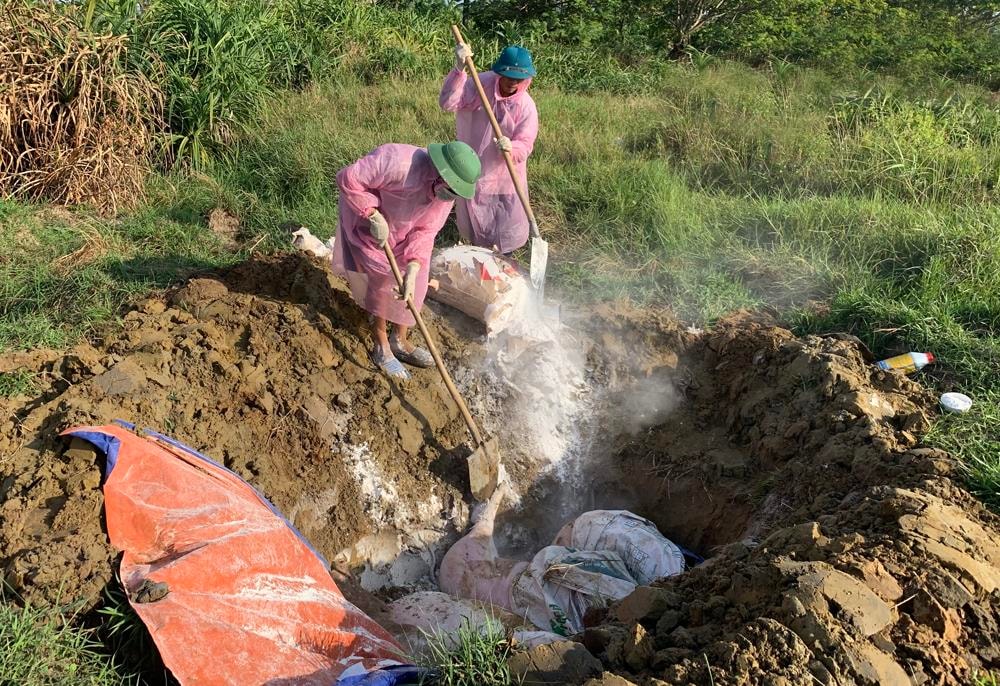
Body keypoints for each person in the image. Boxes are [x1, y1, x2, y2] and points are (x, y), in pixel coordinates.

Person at [438, 484, 688, 637]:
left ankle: (483, 525)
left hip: (616, 555)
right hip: (640, 554)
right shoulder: (667, 566)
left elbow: (457, 572)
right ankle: (484, 527)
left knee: (464, 574)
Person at [334, 141, 481, 380]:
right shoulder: (398, 162)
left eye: (455, 193)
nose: (449, 197)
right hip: (369, 225)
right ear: (440, 172)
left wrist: (413, 268)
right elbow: (349, 178)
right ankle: (381, 342)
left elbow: (425, 231)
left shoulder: (446, 195)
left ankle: (399, 340)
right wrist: (371, 214)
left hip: (405, 232)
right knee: (382, 279)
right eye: (450, 189)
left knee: (417, 283)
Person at [439, 41, 538, 255]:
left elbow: (526, 143)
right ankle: (476, 279)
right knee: (476, 234)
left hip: (504, 177)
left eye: (519, 79)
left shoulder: (526, 106)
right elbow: (448, 103)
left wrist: (512, 147)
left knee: (502, 238)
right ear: (499, 72)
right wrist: (459, 69)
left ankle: (500, 274)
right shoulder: (479, 82)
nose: (513, 83)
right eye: (509, 77)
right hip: (473, 168)